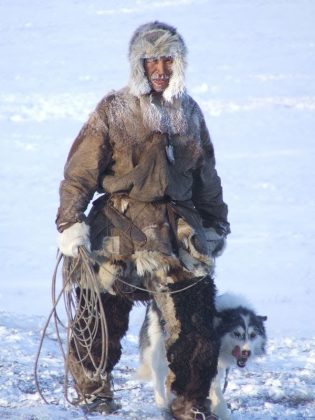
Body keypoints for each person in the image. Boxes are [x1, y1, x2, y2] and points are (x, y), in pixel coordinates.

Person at [56, 21, 230, 420]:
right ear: (138, 64)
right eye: (151, 60)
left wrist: (216, 223)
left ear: (179, 64)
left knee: (195, 327)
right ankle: (92, 390)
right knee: (97, 320)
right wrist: (70, 222)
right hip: (116, 231)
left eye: (168, 59)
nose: (160, 69)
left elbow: (207, 177)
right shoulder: (112, 109)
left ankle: (189, 401)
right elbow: (79, 173)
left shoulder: (189, 112)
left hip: (178, 235)